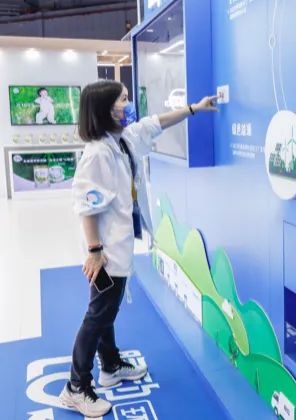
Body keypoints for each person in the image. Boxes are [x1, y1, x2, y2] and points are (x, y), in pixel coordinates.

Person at [59, 80, 217, 417]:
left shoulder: (121, 139)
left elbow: (156, 123)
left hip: (116, 247)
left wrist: (194, 109)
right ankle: (75, 387)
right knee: (98, 316)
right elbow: (86, 207)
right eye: (123, 99)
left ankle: (110, 366)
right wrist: (94, 251)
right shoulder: (97, 154)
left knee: (106, 312)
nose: (129, 104)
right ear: (105, 109)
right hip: (105, 253)